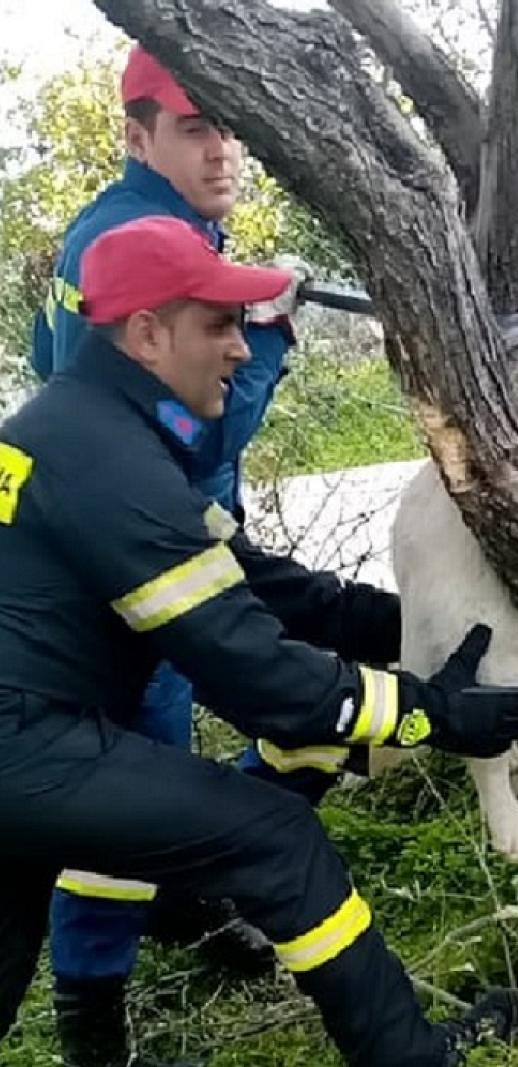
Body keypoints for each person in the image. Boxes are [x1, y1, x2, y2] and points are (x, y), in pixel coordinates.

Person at [0, 214, 518, 1067]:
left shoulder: (93, 433)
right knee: (276, 839)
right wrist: (431, 713)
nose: (242, 351)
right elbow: (256, 675)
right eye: (218, 325)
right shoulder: (112, 461)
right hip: (25, 743)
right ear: (147, 333)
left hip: (28, 742)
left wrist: (424, 626)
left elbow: (267, 588)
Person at [28, 43, 342, 1059]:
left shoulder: (159, 232)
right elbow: (190, 436)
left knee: (282, 718)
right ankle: (94, 1027)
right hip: (132, 572)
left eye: (228, 126)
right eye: (193, 127)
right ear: (138, 135)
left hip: (179, 550)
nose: (221, 150)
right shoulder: (125, 245)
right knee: (138, 780)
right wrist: (274, 332)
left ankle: (192, 893)